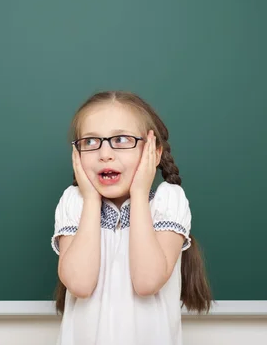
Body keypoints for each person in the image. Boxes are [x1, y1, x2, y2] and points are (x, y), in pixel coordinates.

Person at [50, 90, 212, 345]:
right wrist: (91, 200)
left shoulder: (167, 202)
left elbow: (147, 281)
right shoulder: (75, 203)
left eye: (122, 139)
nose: (105, 154)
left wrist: (139, 194)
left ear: (154, 153)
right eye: (91, 142)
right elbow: (80, 284)